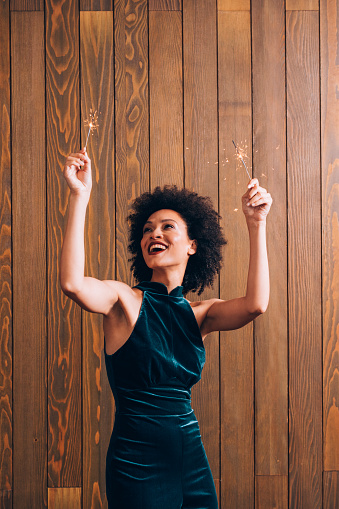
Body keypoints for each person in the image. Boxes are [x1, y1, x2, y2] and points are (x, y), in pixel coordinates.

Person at [60, 147, 272, 509]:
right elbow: (73, 284)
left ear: (193, 245)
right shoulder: (123, 301)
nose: (153, 234)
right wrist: (80, 196)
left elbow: (255, 305)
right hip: (136, 460)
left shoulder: (200, 314)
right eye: (146, 230)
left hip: (190, 456)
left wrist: (257, 224)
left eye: (166, 227)